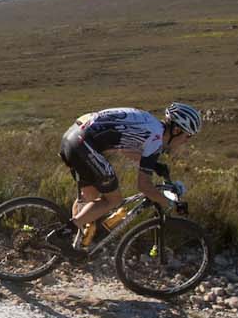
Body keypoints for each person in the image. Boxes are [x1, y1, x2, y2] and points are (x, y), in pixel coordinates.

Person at [52, 102, 202, 249]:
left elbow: (125, 150)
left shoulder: (151, 125)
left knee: (89, 198)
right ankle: (64, 233)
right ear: (176, 130)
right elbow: (144, 187)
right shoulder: (155, 139)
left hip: (73, 137)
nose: (187, 141)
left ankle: (69, 245)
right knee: (113, 200)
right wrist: (170, 204)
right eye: (188, 135)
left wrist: (154, 165)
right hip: (83, 144)